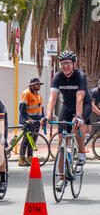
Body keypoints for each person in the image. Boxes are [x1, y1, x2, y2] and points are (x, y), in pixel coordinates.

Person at [42, 50, 92, 191]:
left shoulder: (80, 76)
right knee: (61, 144)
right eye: (63, 63)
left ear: (74, 64)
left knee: (77, 125)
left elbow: (80, 98)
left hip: (83, 104)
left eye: (68, 63)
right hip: (66, 106)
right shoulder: (58, 77)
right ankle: (61, 178)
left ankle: (81, 152)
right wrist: (48, 116)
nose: (65, 66)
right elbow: (52, 98)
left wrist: (79, 117)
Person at [18, 78, 45, 166]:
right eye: (37, 84)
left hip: (36, 121)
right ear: (32, 85)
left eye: (39, 84)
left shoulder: (38, 95)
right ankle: (22, 159)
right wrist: (27, 118)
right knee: (26, 140)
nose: (38, 86)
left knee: (33, 140)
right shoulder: (26, 93)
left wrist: (43, 118)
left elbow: (41, 108)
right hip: (29, 121)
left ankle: (29, 158)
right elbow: (22, 108)